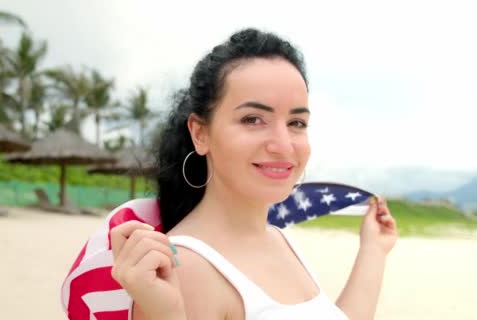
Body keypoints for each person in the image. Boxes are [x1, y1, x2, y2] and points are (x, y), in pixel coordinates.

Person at [110, 28, 398, 320]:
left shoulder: (279, 239)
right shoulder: (188, 267)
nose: (283, 145)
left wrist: (373, 251)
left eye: (296, 122)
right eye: (253, 119)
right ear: (200, 134)